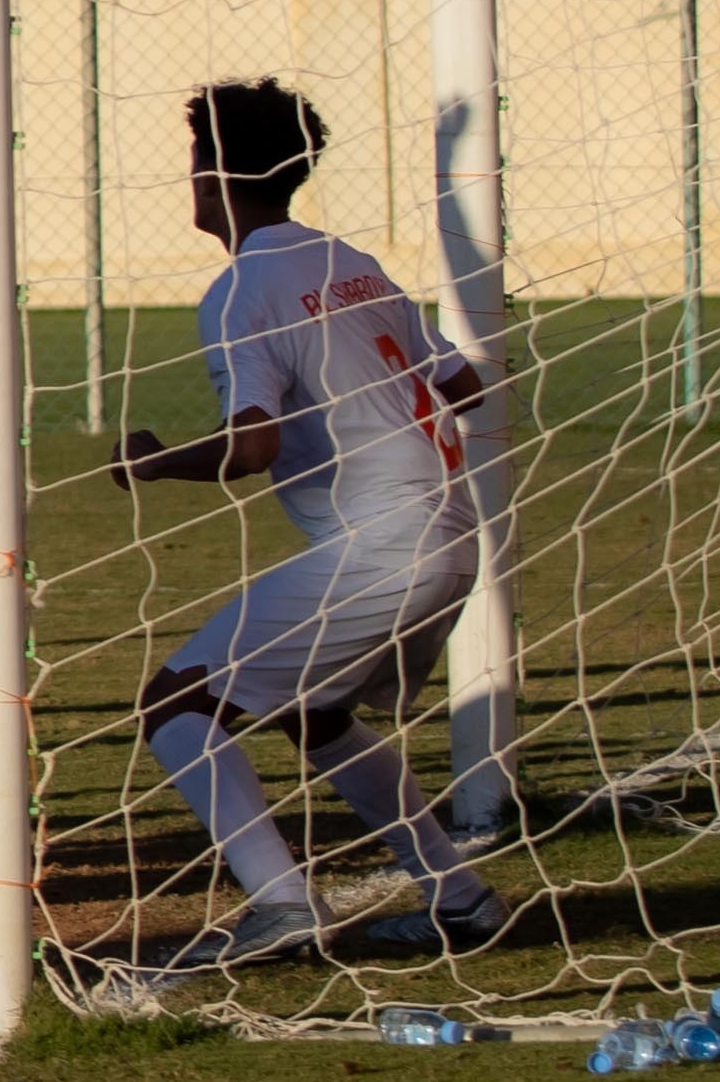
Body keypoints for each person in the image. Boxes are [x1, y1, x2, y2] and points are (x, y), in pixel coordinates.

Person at [111, 78, 511, 967]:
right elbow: (463, 385)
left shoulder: (243, 290)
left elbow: (250, 449)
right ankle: (462, 899)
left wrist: (152, 462)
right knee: (316, 713)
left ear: (207, 177)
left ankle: (283, 903)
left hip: (383, 547)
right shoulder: (350, 261)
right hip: (450, 536)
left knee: (177, 705)